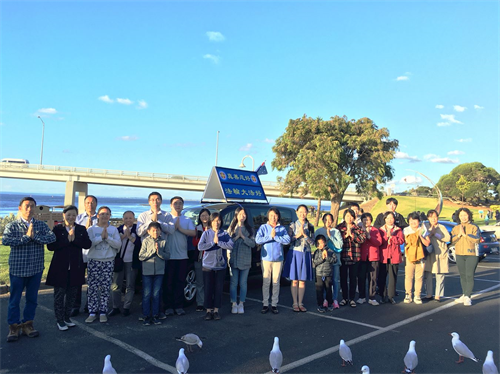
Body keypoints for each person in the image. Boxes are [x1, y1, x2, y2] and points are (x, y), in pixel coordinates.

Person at [3, 197, 56, 342]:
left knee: (32, 299)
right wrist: (26, 238)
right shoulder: (12, 225)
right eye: (26, 206)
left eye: (32, 206)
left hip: (36, 268)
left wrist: (35, 237)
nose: (29, 209)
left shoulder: (41, 225)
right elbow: (6, 240)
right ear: (20, 208)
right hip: (18, 269)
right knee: (14, 299)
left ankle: (28, 324)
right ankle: (13, 326)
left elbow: (52, 238)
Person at [46, 205, 92, 331]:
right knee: (59, 295)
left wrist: (75, 239)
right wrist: (67, 240)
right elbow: (50, 246)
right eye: (68, 214)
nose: (71, 217)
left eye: (73, 215)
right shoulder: (57, 229)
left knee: (72, 295)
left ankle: (67, 317)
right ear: (63, 215)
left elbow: (87, 244)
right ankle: (60, 320)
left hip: (76, 267)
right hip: (60, 267)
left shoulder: (81, 229)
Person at [85, 206, 121, 323]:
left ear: (110, 216)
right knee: (93, 288)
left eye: (107, 214)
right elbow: (88, 244)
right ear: (98, 215)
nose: (104, 216)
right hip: (94, 260)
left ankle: (103, 311)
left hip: (108, 261)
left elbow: (118, 245)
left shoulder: (113, 230)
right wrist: (101, 238)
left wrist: (108, 239)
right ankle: (92, 311)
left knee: (105, 288)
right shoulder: (91, 229)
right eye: (102, 214)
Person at [163, 196, 196, 317]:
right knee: (168, 282)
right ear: (171, 205)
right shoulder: (167, 218)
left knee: (180, 282)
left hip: (182, 255)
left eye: (180, 204)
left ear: (183, 206)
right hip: (169, 255)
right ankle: (168, 306)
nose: (178, 205)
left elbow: (193, 233)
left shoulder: (186, 219)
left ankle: (179, 306)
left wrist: (180, 229)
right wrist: (172, 228)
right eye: (175, 203)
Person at [198, 212, 233, 320]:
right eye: (214, 221)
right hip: (208, 266)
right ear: (211, 222)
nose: (216, 223)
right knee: (208, 288)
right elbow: (200, 246)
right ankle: (208, 310)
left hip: (221, 266)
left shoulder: (224, 234)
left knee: (218, 289)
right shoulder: (206, 233)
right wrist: (213, 243)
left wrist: (219, 243)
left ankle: (216, 310)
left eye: (218, 221)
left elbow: (231, 245)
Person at [255, 208, 291, 314]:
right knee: (266, 282)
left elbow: (287, 240)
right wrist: (270, 236)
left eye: (275, 215)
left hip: (278, 259)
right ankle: (265, 304)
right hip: (266, 259)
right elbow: (258, 240)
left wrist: (276, 237)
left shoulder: (282, 228)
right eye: (271, 215)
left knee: (276, 282)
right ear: (268, 216)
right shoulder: (263, 227)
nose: (273, 217)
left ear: (278, 217)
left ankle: (274, 304)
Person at [108, 211, 141, 318]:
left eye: (130, 218)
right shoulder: (117, 230)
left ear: (134, 219)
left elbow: (140, 244)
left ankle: (126, 307)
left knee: (130, 285)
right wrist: (123, 236)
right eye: (126, 218)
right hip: (120, 261)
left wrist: (130, 237)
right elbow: (113, 243)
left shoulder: (137, 229)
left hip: (132, 261)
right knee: (116, 285)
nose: (128, 220)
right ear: (123, 219)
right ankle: (115, 307)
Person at [283, 205, 314, 312]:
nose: (302, 214)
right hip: (295, 253)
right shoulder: (292, 225)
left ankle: (301, 302)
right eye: (300, 212)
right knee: (294, 280)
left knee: (302, 280)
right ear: (296, 212)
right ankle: (294, 303)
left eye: (304, 212)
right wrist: (297, 235)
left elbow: (313, 242)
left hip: (305, 253)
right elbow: (288, 240)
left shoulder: (310, 226)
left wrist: (305, 235)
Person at [139, 222, 170, 326]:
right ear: (148, 231)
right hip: (147, 271)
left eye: (157, 230)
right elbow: (141, 256)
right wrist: (152, 252)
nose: (155, 232)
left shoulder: (164, 241)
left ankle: (156, 315)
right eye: (153, 230)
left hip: (159, 271)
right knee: (147, 294)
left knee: (156, 294)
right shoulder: (145, 241)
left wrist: (159, 252)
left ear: (160, 231)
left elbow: (167, 256)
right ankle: (146, 315)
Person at [72, 194, 98, 317]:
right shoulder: (78, 218)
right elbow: (74, 235)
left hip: (95, 254)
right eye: (87, 202)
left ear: (96, 204)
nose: (90, 205)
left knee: (93, 282)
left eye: (92, 202)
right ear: (84, 204)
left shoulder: (101, 217)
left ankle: (90, 305)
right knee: (77, 282)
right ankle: (75, 306)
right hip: (80, 254)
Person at [227, 207, 255, 314]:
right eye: (240, 214)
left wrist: (243, 237)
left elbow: (253, 244)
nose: (242, 216)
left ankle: (241, 303)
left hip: (246, 260)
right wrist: (236, 237)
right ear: (236, 215)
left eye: (244, 214)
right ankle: (234, 303)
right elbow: (227, 243)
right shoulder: (231, 228)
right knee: (233, 283)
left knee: (243, 283)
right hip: (234, 259)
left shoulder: (250, 229)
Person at [451, 208, 481, 306]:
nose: (463, 217)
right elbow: (452, 240)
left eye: (465, 215)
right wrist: (459, 235)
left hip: (471, 254)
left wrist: (465, 235)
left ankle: (468, 296)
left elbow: (477, 239)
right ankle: (464, 294)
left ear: (469, 215)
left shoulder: (474, 227)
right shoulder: (456, 228)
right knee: (462, 275)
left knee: (469, 275)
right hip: (459, 254)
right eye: (461, 215)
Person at [337, 209, 366, 308]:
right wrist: (345, 235)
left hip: (355, 257)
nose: (349, 218)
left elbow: (362, 239)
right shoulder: (339, 228)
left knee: (353, 279)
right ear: (344, 217)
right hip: (343, 257)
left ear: (354, 217)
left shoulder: (358, 228)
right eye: (347, 216)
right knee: (343, 279)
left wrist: (352, 235)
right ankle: (344, 298)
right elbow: (337, 240)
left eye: (351, 216)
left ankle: (352, 298)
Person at [315, 213, 343, 309]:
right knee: (324, 282)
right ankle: (325, 300)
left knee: (335, 280)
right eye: (326, 220)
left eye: (330, 220)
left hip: (334, 260)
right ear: (323, 220)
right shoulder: (319, 231)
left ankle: (334, 299)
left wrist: (330, 236)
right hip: (323, 263)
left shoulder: (336, 231)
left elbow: (339, 245)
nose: (328, 222)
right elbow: (316, 245)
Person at [423, 209, 451, 302]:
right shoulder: (425, 226)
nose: (434, 219)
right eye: (431, 217)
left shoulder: (441, 227)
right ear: (428, 218)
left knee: (440, 274)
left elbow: (447, 238)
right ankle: (429, 294)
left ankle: (438, 295)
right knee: (428, 274)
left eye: (435, 217)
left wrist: (437, 234)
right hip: (429, 253)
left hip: (440, 254)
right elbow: (422, 237)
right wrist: (431, 233)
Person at [403, 212, 430, 305]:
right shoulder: (406, 230)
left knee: (419, 277)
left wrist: (421, 235)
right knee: (408, 276)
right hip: (409, 256)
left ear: (419, 221)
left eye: (415, 220)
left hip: (421, 256)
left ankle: (417, 295)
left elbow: (427, 243)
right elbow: (407, 241)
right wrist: (415, 235)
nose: (413, 222)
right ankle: (408, 294)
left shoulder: (422, 229)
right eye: (411, 220)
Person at [377, 211, 405, 305]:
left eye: (392, 218)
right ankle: (382, 295)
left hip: (394, 256)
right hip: (383, 256)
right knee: (382, 277)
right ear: (384, 219)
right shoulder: (380, 230)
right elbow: (379, 242)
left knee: (393, 277)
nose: (390, 220)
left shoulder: (398, 230)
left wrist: (392, 237)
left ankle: (390, 296)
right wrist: (386, 237)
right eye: (388, 218)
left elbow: (401, 240)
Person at [357, 213, 382, 306]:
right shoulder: (359, 230)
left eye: (368, 219)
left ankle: (372, 297)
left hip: (373, 258)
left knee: (373, 278)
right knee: (361, 277)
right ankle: (362, 296)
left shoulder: (375, 230)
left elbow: (379, 242)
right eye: (364, 220)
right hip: (362, 257)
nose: (366, 221)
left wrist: (369, 237)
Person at [191, 209, 211, 312]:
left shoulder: (213, 228)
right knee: (200, 282)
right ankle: (200, 303)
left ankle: (209, 302)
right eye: (202, 216)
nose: (204, 217)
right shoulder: (197, 228)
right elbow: (195, 243)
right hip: (199, 258)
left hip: (211, 259)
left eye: (206, 215)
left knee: (210, 281)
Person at [312, 235, 337, 312]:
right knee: (319, 290)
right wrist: (322, 258)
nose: (320, 245)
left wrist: (327, 257)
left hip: (328, 273)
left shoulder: (330, 251)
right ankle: (320, 304)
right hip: (319, 274)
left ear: (325, 243)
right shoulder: (316, 252)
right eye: (318, 243)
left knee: (328, 289)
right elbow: (314, 263)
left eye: (322, 243)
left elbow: (334, 260)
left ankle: (329, 303)